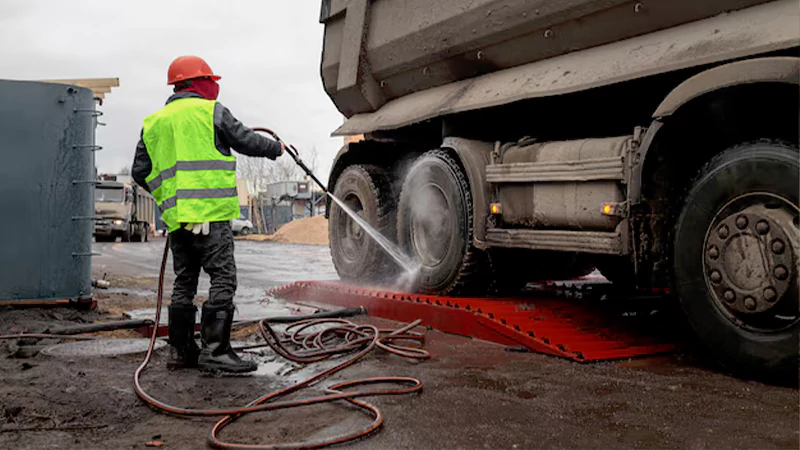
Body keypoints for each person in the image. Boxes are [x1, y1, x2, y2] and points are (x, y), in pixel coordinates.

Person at [132, 55, 284, 373]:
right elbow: (245, 140)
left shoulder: (154, 122)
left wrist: (168, 198)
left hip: (178, 219)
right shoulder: (210, 111)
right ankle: (216, 352)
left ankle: (180, 352)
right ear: (197, 83)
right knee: (223, 277)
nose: (214, 86)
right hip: (211, 215)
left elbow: (139, 172)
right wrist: (276, 148)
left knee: (185, 280)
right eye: (211, 80)